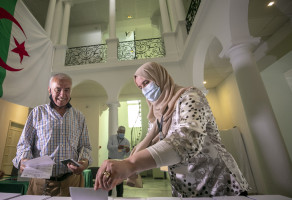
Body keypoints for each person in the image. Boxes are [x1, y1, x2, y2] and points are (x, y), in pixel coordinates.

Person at [95, 62, 250, 197]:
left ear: (159, 77)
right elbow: (153, 148)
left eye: (147, 82)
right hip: (187, 189)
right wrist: (122, 166)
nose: (144, 89)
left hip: (218, 184)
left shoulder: (191, 96)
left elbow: (187, 140)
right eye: (140, 87)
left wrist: (131, 164)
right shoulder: (158, 117)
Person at [13, 73, 92, 197]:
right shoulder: (37, 113)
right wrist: (23, 160)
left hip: (71, 182)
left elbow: (85, 146)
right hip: (40, 184)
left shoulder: (79, 116)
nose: (62, 95)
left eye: (67, 90)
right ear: (50, 90)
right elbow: (24, 143)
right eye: (58, 90)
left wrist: (84, 162)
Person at [107, 126, 130, 197]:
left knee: (119, 181)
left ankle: (120, 196)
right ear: (117, 132)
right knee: (109, 179)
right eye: (120, 132)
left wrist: (128, 151)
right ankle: (108, 196)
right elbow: (108, 147)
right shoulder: (112, 138)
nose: (122, 134)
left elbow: (128, 154)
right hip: (111, 161)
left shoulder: (126, 141)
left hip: (120, 162)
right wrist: (117, 147)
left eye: (123, 133)